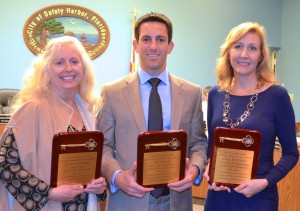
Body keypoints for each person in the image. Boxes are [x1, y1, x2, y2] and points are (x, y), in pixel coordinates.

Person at [97, 12, 207, 211]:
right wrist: (118, 177)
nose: (153, 46)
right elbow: (103, 146)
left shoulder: (192, 93)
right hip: (128, 200)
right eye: (146, 39)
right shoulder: (111, 92)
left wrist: (195, 169)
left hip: (176, 199)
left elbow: (199, 142)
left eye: (161, 40)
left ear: (170, 46)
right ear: (136, 45)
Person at [0, 36, 107, 210]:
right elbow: (4, 164)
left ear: (84, 68)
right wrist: (48, 192)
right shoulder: (31, 110)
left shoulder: (87, 111)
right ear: (47, 70)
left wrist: (99, 185)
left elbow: (92, 165)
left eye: (74, 61)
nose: (68, 68)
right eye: (59, 62)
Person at [204, 22, 299, 211]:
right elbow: (211, 146)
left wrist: (264, 182)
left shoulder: (277, 96)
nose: (244, 54)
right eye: (238, 46)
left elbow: (291, 153)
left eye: (252, 48)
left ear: (261, 56)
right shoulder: (215, 93)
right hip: (218, 197)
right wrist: (209, 168)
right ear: (228, 52)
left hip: (258, 198)